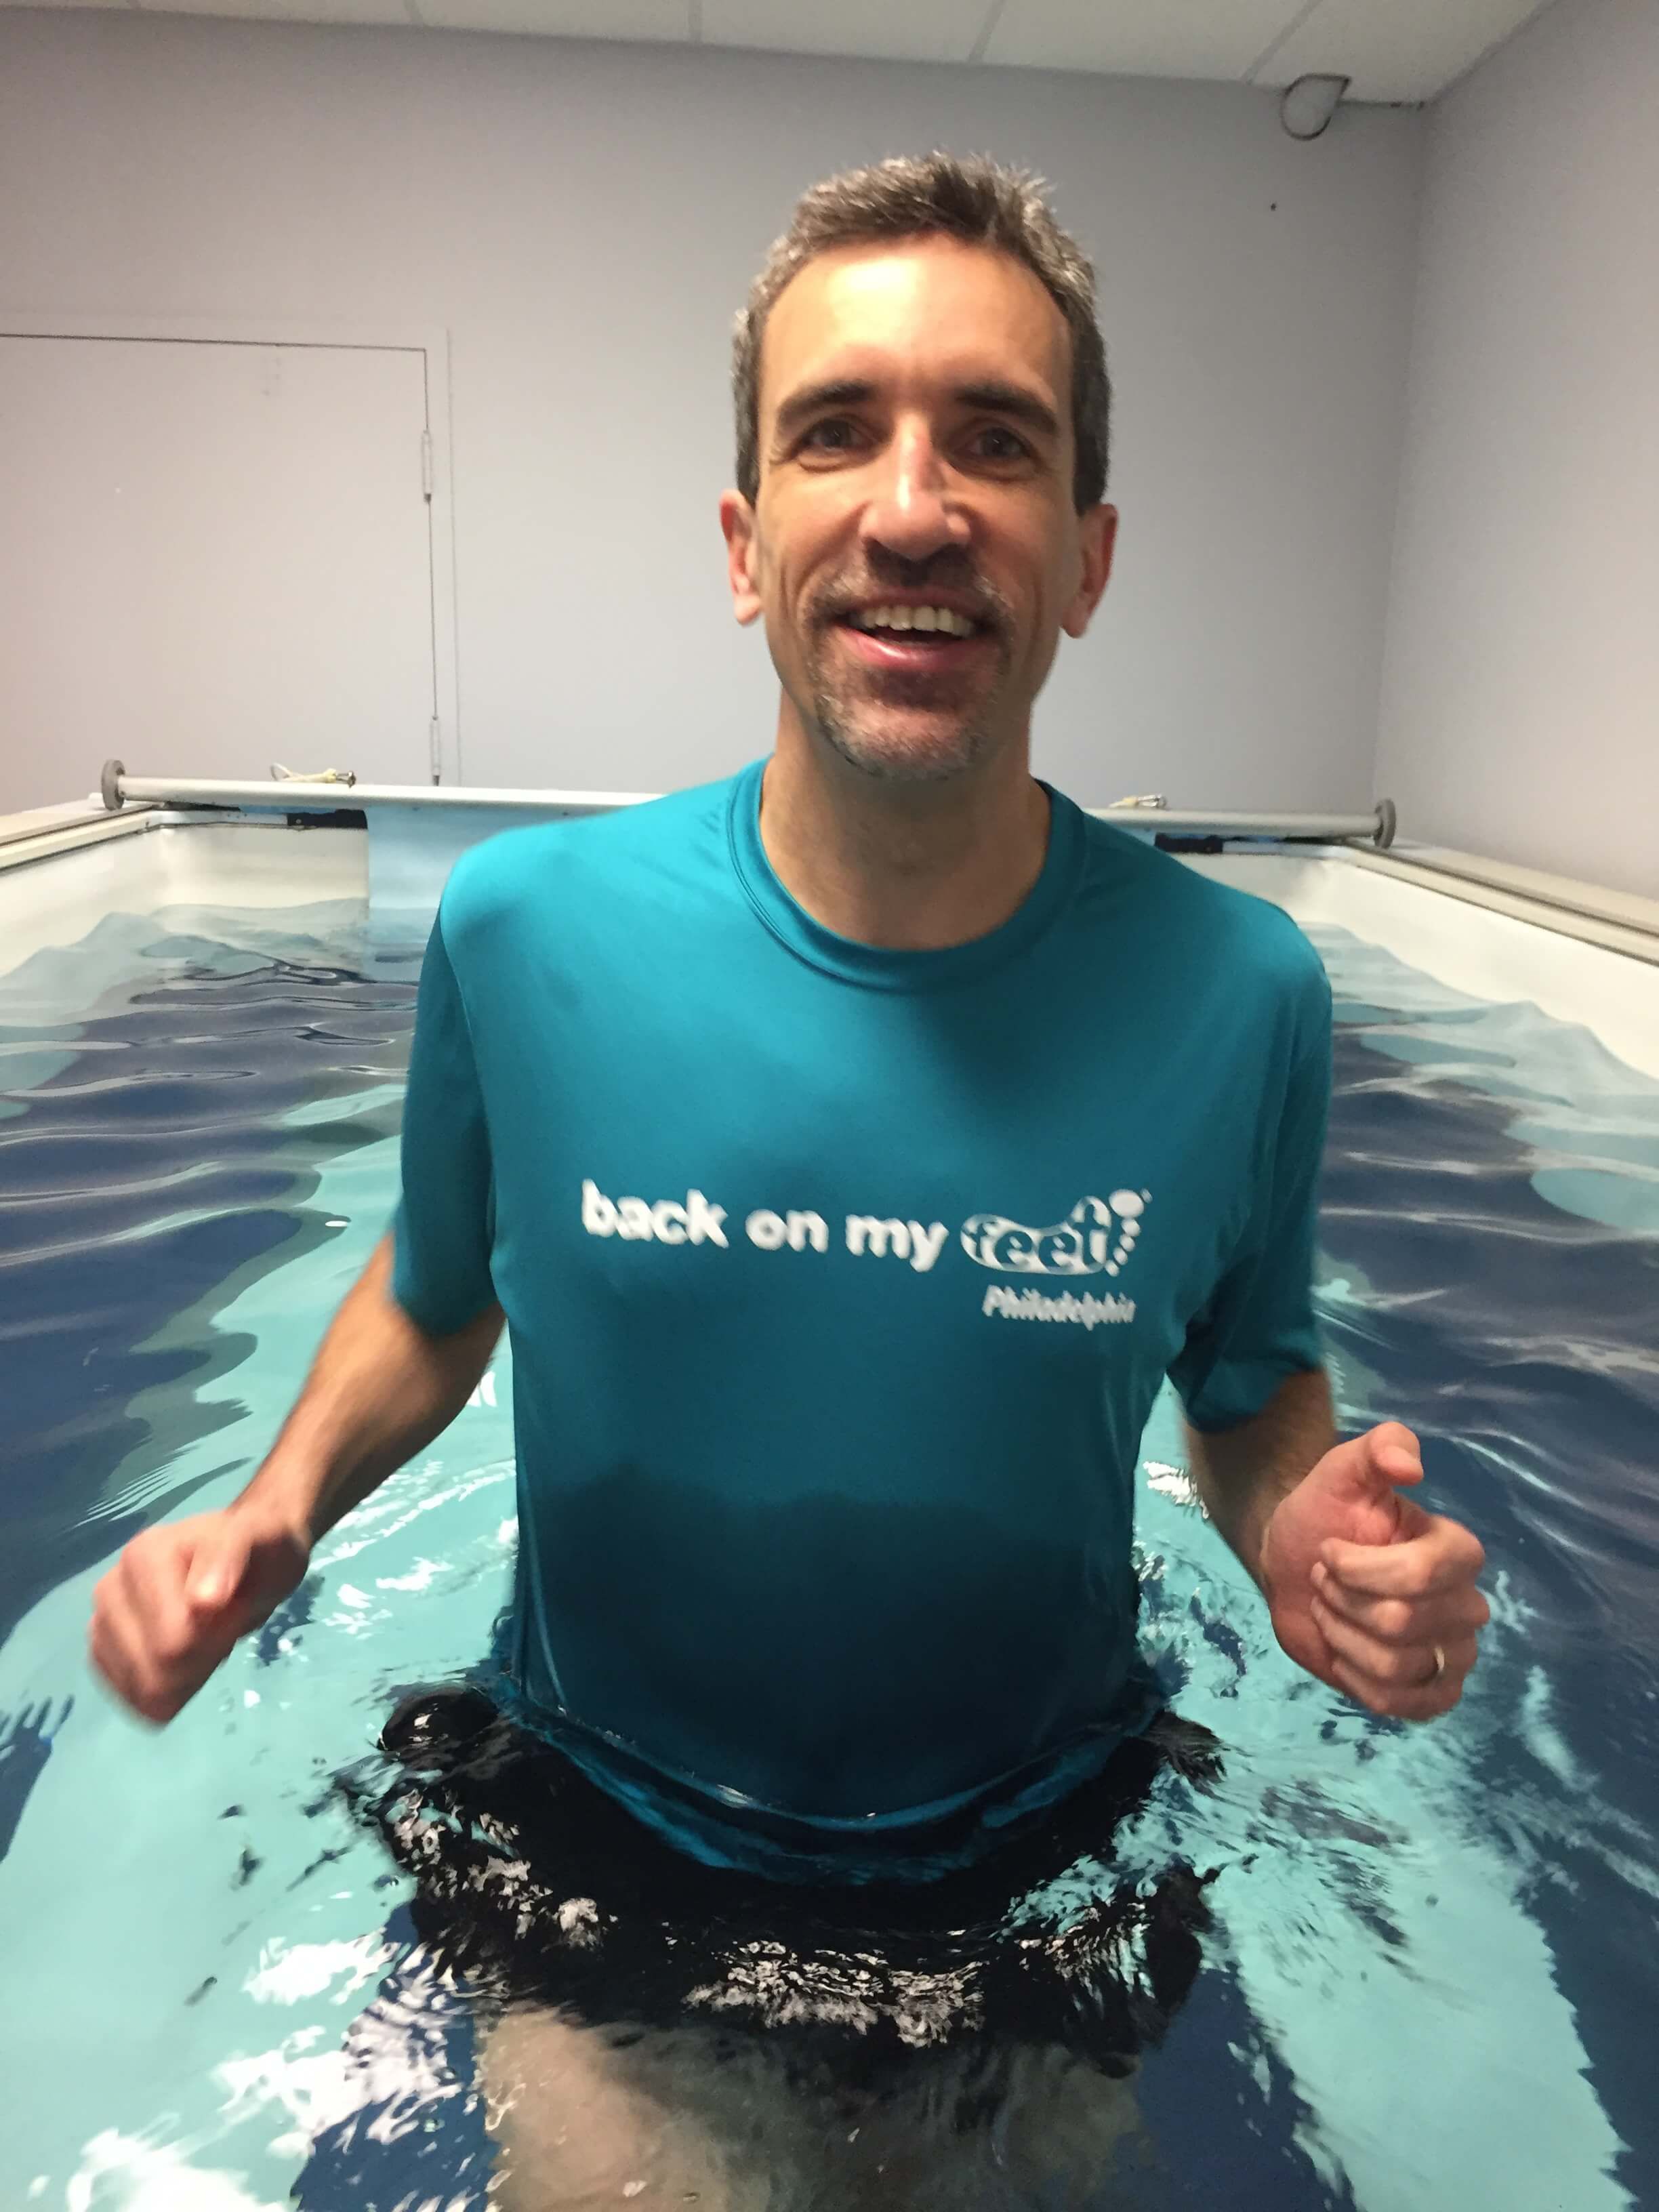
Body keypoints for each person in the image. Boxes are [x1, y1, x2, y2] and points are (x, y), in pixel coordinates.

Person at [89, 152, 1490, 2206]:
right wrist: (275, 1512)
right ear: (747, 543)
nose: (913, 507)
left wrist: (1302, 1543)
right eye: (839, 431)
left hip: (1045, 1844)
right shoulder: (526, 935)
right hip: (603, 1826)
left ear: (1086, 557)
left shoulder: (1239, 992)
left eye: (992, 442)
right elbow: (433, 1288)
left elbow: (1255, 1373)